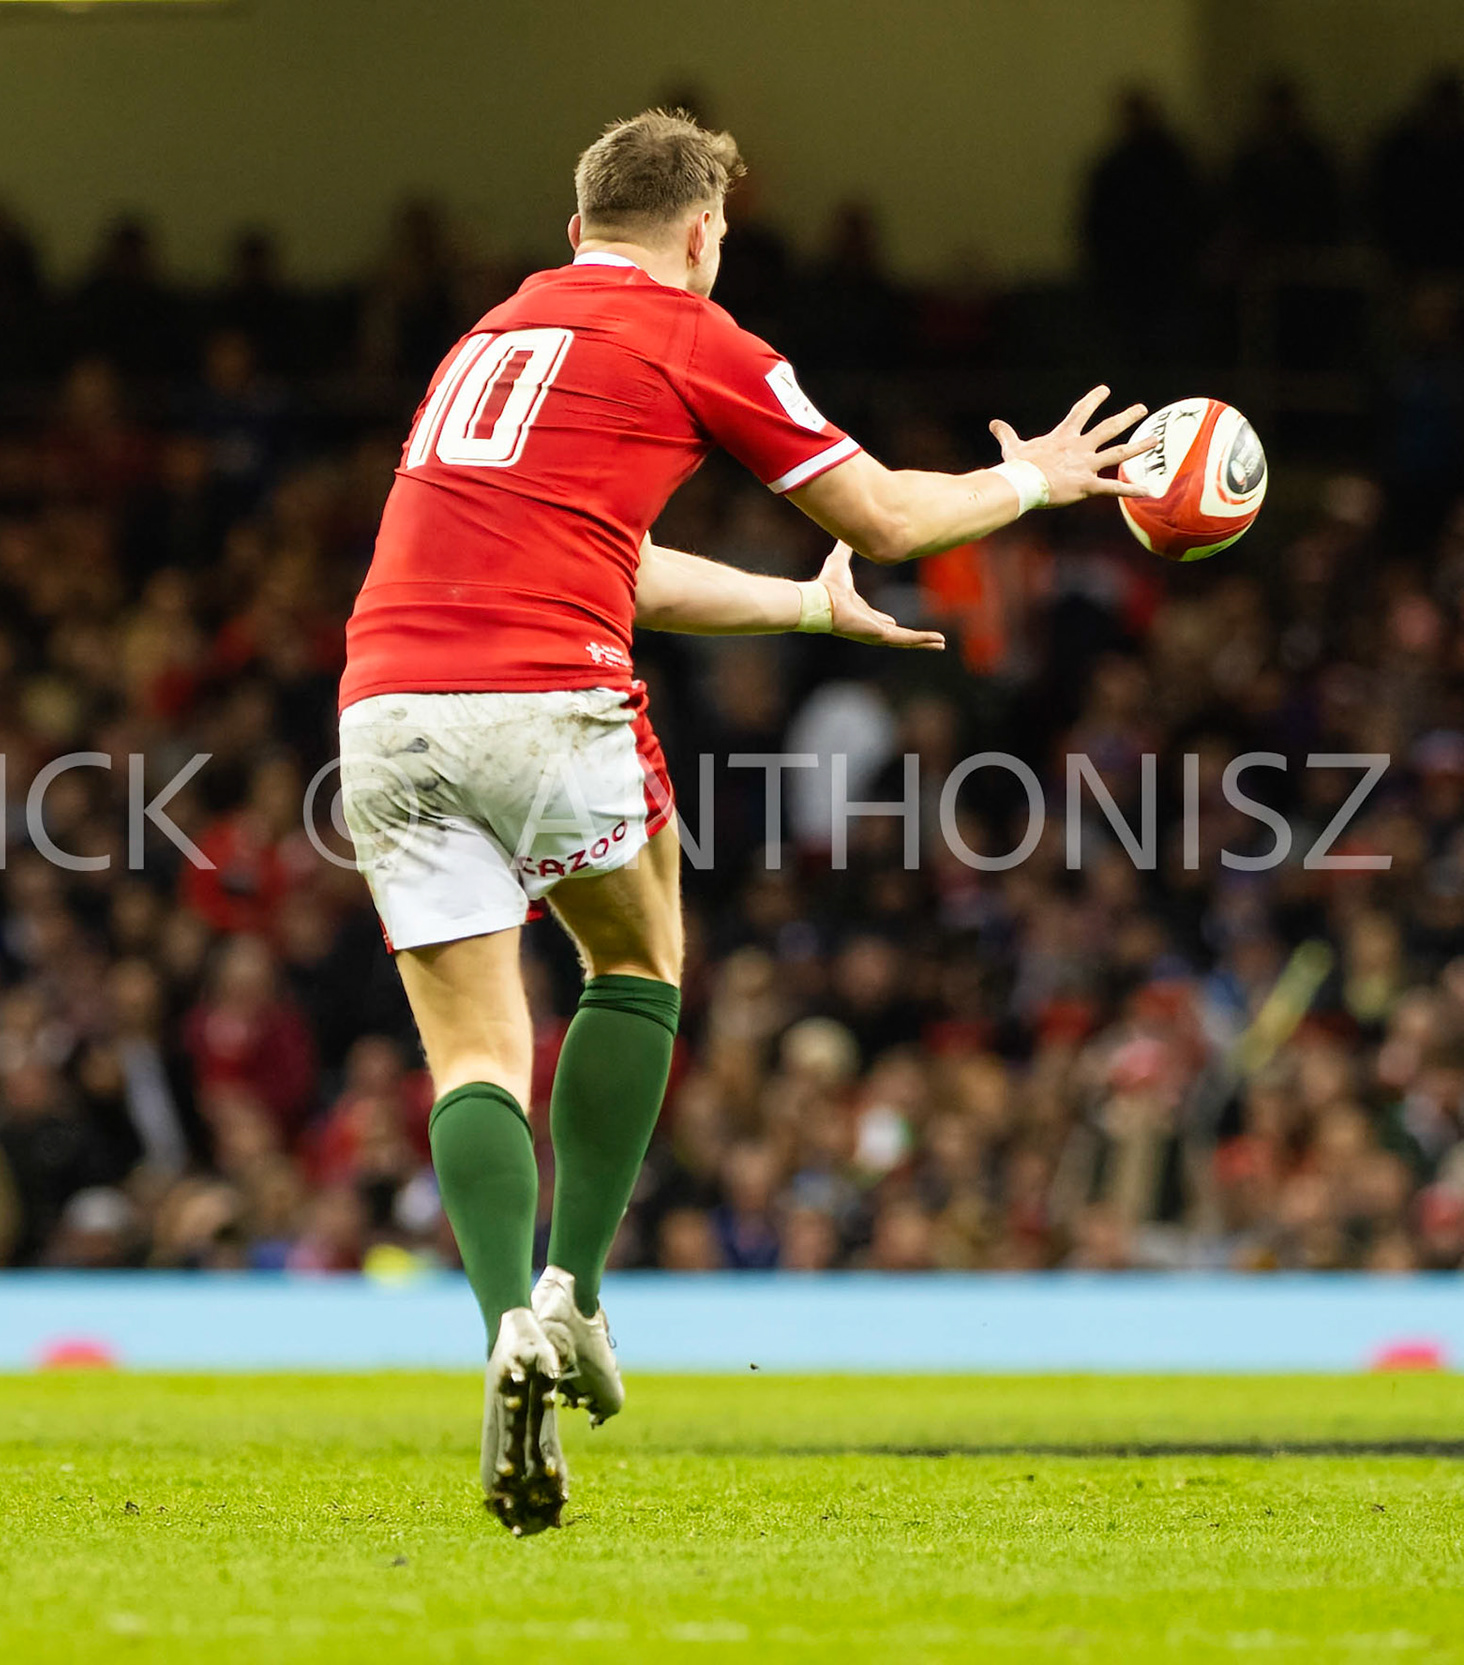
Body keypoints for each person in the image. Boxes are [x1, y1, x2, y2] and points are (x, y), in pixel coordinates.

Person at [336, 108, 1150, 1535]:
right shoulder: (692, 332)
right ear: (704, 235)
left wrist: (796, 602)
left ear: (575, 224)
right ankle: (573, 1294)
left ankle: (498, 1334)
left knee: (472, 1046)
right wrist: (1036, 479)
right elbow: (892, 516)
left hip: (383, 702)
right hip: (545, 692)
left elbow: (611, 554)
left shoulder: (492, 337)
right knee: (637, 960)